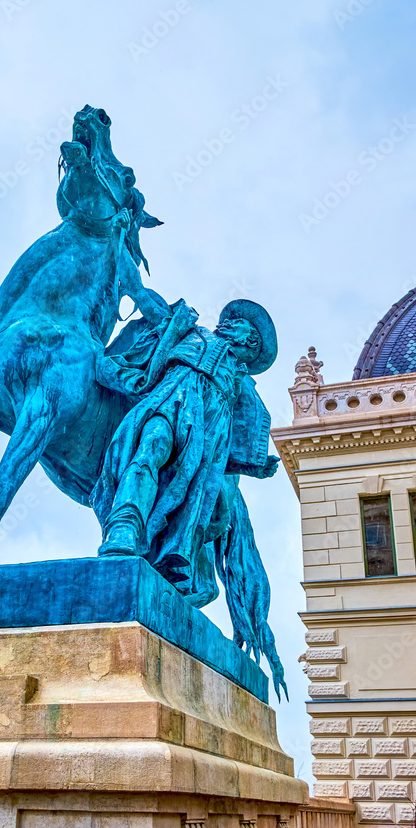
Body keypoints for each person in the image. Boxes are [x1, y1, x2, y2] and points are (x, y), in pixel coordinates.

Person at [92, 297, 288, 699]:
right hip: (168, 401)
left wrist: (256, 466)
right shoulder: (189, 332)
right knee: (148, 449)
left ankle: (168, 561)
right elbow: (148, 325)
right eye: (236, 327)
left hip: (204, 437)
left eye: (248, 338)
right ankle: (124, 529)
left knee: (182, 494)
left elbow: (242, 445)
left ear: (250, 350)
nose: (238, 335)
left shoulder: (242, 387)